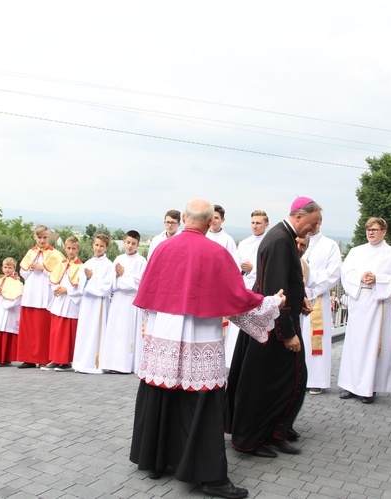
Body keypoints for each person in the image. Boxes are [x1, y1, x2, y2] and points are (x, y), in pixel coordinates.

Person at [130, 199, 284, 499]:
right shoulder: (216, 252)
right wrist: (273, 301)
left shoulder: (163, 247)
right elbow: (238, 297)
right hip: (200, 335)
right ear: (209, 220)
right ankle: (209, 477)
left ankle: (157, 461)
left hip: (165, 332)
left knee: (163, 391)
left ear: (185, 218)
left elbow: (148, 291)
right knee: (200, 402)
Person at [225, 196, 322, 458]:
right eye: (312, 223)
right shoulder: (280, 240)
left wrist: (300, 295)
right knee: (271, 382)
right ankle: (251, 438)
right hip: (274, 327)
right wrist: (288, 334)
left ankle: (270, 433)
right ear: (299, 216)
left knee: (274, 382)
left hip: (271, 323)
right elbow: (275, 290)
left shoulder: (282, 236)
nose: (313, 229)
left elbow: (287, 280)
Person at [337, 217, 391, 404]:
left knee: (374, 345)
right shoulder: (356, 251)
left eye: (375, 229)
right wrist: (361, 277)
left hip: (378, 303)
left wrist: (377, 279)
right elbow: (346, 273)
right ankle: (350, 385)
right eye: (368, 229)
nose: (371, 232)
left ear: (384, 231)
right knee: (354, 344)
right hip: (359, 301)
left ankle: (369, 388)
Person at [301, 216, 342, 395]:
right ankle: (298, 378)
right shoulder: (298, 240)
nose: (311, 226)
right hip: (297, 297)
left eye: (315, 222)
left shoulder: (329, 245)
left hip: (318, 298)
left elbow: (333, 273)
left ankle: (316, 380)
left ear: (320, 223)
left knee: (314, 340)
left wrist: (311, 284)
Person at [17, 226, 65, 368]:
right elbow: (22, 271)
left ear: (48, 237)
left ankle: (43, 358)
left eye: (45, 237)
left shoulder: (55, 254)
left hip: (44, 294)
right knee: (29, 328)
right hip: (30, 293)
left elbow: (59, 275)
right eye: (39, 237)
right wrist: (29, 268)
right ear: (35, 237)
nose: (42, 240)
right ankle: (29, 358)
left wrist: (43, 269)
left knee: (42, 329)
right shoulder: (30, 252)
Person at [225, 210, 269, 367]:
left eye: (258, 223)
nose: (255, 226)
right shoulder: (244, 243)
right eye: (253, 223)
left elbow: (271, 266)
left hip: (260, 289)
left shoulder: (271, 242)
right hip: (243, 289)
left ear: (266, 224)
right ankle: (233, 362)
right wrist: (243, 269)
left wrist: (253, 268)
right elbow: (234, 267)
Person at [100, 231, 147, 374]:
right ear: (124, 242)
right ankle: (112, 362)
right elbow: (111, 279)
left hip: (130, 300)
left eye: (133, 243)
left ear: (138, 244)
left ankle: (126, 365)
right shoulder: (119, 258)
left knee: (127, 333)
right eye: (128, 242)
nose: (130, 246)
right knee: (115, 331)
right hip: (118, 299)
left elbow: (141, 283)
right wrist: (116, 275)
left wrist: (124, 274)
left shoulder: (141, 261)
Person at [72, 234, 115, 374]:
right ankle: (81, 363)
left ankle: (95, 363)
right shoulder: (87, 263)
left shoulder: (109, 265)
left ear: (106, 248)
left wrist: (92, 278)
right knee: (85, 331)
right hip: (87, 303)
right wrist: (87, 281)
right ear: (92, 245)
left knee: (96, 331)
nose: (98, 248)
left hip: (99, 303)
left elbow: (107, 287)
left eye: (102, 246)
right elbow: (80, 285)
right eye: (96, 245)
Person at [41, 236, 83, 372]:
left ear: (78, 249)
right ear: (64, 248)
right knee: (56, 331)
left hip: (70, 303)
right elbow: (53, 280)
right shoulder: (61, 264)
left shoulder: (81, 267)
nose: (71, 251)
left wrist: (67, 290)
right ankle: (55, 359)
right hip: (59, 301)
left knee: (66, 333)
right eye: (69, 248)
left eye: (74, 248)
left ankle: (65, 361)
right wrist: (57, 289)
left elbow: (81, 287)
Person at [0, 257, 24, 367]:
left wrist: (6, 304)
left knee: (5, 335)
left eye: (9, 268)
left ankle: (4, 359)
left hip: (8, 311)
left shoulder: (17, 283)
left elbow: (18, 298)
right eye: (5, 267)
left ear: (14, 269)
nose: (7, 270)